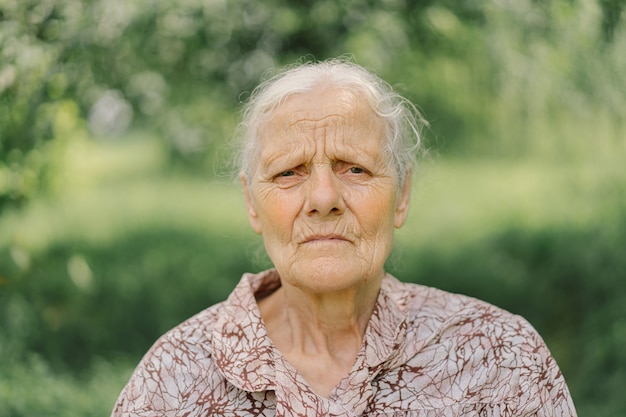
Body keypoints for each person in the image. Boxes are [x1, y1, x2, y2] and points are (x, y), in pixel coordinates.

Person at [111, 58, 577, 416]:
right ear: (253, 202)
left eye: (355, 168)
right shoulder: (172, 377)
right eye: (289, 172)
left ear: (402, 194)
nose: (323, 198)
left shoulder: (499, 358)